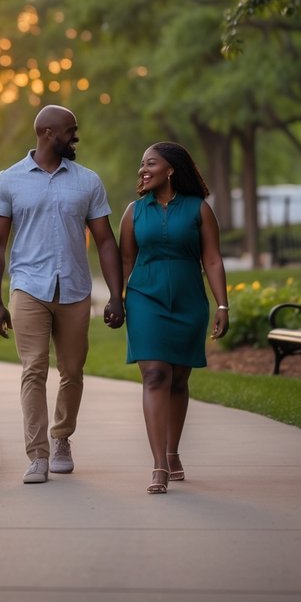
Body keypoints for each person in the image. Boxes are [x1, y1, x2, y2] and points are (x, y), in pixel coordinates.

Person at [0, 105, 125, 484]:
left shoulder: (88, 181)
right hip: (28, 286)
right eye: (70, 130)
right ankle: (38, 455)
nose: (75, 136)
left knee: (72, 370)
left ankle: (61, 437)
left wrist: (117, 294)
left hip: (75, 289)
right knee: (33, 369)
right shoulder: (9, 181)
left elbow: (105, 241)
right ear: (48, 132)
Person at [119, 141, 229, 494]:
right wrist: (116, 300)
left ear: (171, 169)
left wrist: (222, 305)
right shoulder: (133, 212)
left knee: (179, 380)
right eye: (141, 164)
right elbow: (125, 262)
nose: (143, 170)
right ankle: (159, 466)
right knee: (154, 375)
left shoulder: (199, 210)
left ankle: (172, 450)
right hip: (145, 299)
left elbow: (212, 259)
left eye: (150, 163)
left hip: (188, 301)